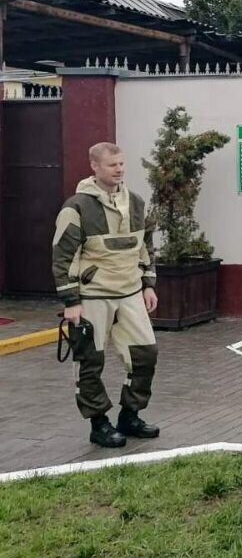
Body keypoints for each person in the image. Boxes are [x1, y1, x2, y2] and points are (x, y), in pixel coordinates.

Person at [51, 142, 160, 448]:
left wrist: (148, 284)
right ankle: (98, 424)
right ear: (94, 167)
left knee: (145, 355)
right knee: (90, 361)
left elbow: (145, 247)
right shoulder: (76, 207)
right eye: (112, 165)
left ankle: (130, 416)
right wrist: (71, 301)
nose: (119, 170)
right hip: (92, 297)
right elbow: (63, 256)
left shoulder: (136, 202)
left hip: (130, 293)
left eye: (122, 164)